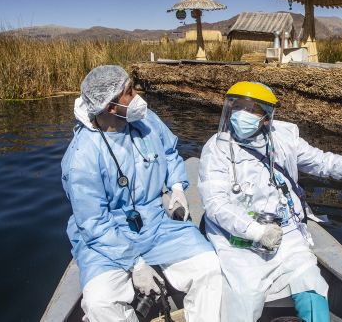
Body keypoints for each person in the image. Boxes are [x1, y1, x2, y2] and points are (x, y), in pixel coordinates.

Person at [198, 81, 342, 322]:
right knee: (245, 295)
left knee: (311, 285)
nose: (241, 115)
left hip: (286, 231)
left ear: (266, 117)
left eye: (251, 109)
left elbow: (324, 162)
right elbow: (216, 204)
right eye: (237, 107)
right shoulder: (216, 149)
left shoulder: (284, 139)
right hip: (238, 236)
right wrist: (256, 231)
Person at [61, 65, 222, 322]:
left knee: (210, 269)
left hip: (156, 222)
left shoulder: (143, 119)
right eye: (129, 91)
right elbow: (94, 224)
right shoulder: (81, 157)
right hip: (107, 237)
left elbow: (169, 152)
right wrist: (135, 264)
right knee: (100, 302)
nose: (137, 94)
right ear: (111, 107)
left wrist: (178, 187)